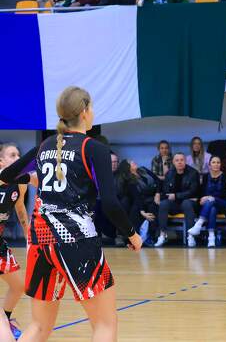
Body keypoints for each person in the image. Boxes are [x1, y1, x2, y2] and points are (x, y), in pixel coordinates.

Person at [0, 86, 141, 341]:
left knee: (39, 326)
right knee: (105, 324)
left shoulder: (44, 146)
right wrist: (132, 234)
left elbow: (7, 175)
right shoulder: (93, 148)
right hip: (76, 240)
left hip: (40, 241)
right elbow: (110, 203)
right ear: (85, 111)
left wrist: (32, 178)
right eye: (92, 107)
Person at [0, 144, 31, 339]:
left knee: (19, 286)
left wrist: (29, 237)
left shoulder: (20, 183)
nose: (17, 158)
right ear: (1, 161)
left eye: (19, 154)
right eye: (12, 155)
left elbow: (20, 208)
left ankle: (6, 321)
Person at [153, 153, 200, 248]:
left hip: (189, 203)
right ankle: (162, 235)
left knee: (186, 203)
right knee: (164, 204)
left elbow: (193, 191)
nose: (179, 162)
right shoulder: (169, 173)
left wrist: (176, 196)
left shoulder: (193, 173)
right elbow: (165, 190)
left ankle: (190, 236)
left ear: (185, 161)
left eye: (182, 160)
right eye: (177, 160)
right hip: (174, 204)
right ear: (173, 162)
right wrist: (162, 195)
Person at [187, 156, 226, 247]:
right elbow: (201, 192)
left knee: (211, 200)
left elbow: (224, 194)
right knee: (212, 208)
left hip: (221, 203)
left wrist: (210, 197)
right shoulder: (206, 176)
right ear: (209, 165)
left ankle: (198, 224)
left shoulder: (224, 176)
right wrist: (201, 198)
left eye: (218, 162)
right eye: (213, 162)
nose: (216, 164)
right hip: (209, 205)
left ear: (220, 164)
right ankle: (211, 237)